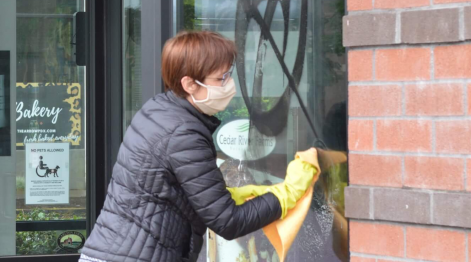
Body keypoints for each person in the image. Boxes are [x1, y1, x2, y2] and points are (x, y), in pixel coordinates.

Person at [80, 31, 317, 262]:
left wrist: (235, 194)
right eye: (221, 78)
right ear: (189, 84)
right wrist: (288, 193)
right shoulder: (184, 133)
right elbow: (227, 221)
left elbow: (170, 189)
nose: (230, 84)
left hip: (110, 250)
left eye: (229, 74)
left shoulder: (159, 110)